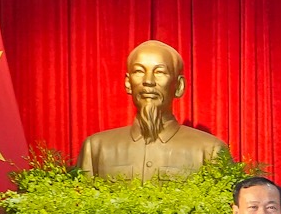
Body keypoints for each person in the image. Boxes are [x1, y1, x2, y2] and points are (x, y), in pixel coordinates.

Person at [76, 39, 229, 180]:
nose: (148, 81)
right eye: (139, 71)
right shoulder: (95, 148)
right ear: (128, 83)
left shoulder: (210, 151)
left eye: (160, 72)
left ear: (179, 86)